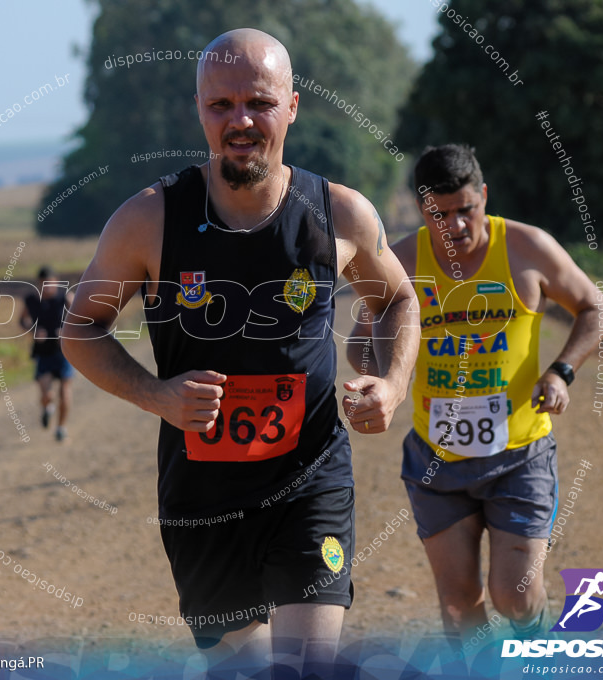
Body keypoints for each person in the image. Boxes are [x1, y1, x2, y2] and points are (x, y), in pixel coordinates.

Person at [61, 29, 419, 675]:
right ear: (198, 109)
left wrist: (392, 384)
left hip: (311, 481)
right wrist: (157, 395)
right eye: (221, 105)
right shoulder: (149, 220)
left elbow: (398, 299)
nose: (241, 121)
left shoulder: (339, 214)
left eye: (258, 101)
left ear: (291, 106)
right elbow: (80, 326)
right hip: (202, 496)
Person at [347, 144, 603, 646]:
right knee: (457, 604)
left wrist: (560, 372)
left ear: (484, 196)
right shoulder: (401, 260)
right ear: (422, 210)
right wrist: (387, 377)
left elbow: (596, 308)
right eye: (438, 215)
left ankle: (536, 639)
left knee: (514, 595)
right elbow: (360, 343)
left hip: (520, 457)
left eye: (465, 210)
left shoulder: (526, 248)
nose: (455, 226)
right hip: (436, 462)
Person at [20, 266, 74, 442]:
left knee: (64, 390)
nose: (47, 288)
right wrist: (33, 330)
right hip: (43, 352)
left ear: (56, 282)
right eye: (43, 284)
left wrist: (66, 331)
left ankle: (61, 428)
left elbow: (81, 318)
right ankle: (47, 408)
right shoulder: (31, 300)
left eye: (50, 284)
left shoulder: (66, 298)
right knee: (46, 394)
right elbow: (22, 320)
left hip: (64, 351)